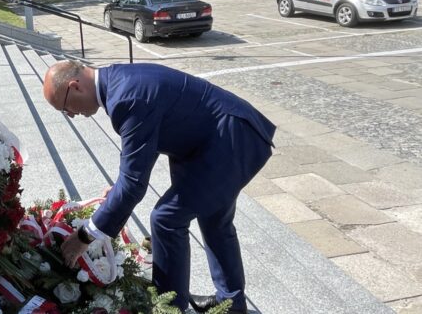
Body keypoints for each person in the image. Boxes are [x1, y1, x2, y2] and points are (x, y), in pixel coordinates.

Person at [42, 60, 275, 313]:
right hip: (220, 139)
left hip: (231, 140)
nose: (72, 115)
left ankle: (169, 308)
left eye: (66, 108)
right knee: (214, 222)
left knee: (167, 219)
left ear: (75, 87)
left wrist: (85, 236)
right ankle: (231, 303)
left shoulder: (125, 97)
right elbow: (139, 160)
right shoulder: (118, 82)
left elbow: (133, 185)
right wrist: (119, 191)